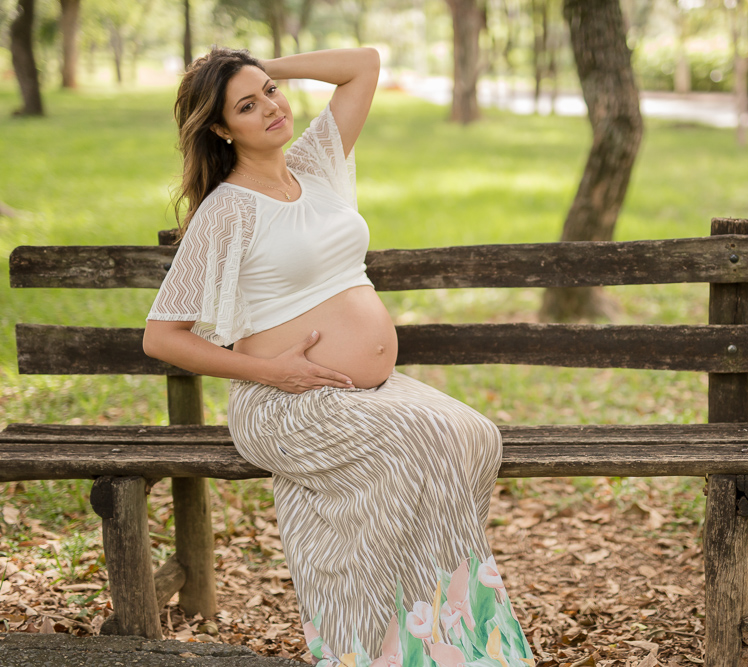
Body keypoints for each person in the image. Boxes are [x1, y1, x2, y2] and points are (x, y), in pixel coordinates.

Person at [143, 46, 535, 667]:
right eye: (247, 106)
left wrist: (244, 65)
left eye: (271, 90)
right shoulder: (226, 211)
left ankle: (437, 637)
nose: (272, 107)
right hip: (286, 401)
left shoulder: (318, 163)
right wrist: (273, 371)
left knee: (475, 435)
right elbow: (162, 337)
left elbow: (364, 63)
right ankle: (382, 647)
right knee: (427, 443)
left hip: (361, 392)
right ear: (221, 129)